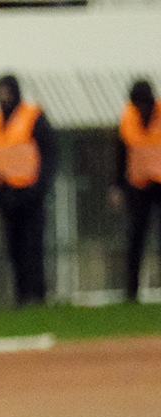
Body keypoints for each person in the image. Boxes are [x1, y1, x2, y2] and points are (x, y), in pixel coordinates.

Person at [0, 74, 56, 307]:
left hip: (30, 193)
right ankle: (21, 297)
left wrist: (40, 185)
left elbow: (50, 152)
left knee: (34, 245)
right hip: (6, 193)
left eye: (7, 92)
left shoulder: (33, 116)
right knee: (14, 248)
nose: (4, 98)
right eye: (0, 93)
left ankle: (39, 295)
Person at [112, 79, 161, 302]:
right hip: (138, 187)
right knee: (135, 239)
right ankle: (132, 292)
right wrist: (117, 185)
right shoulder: (127, 119)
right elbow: (120, 155)